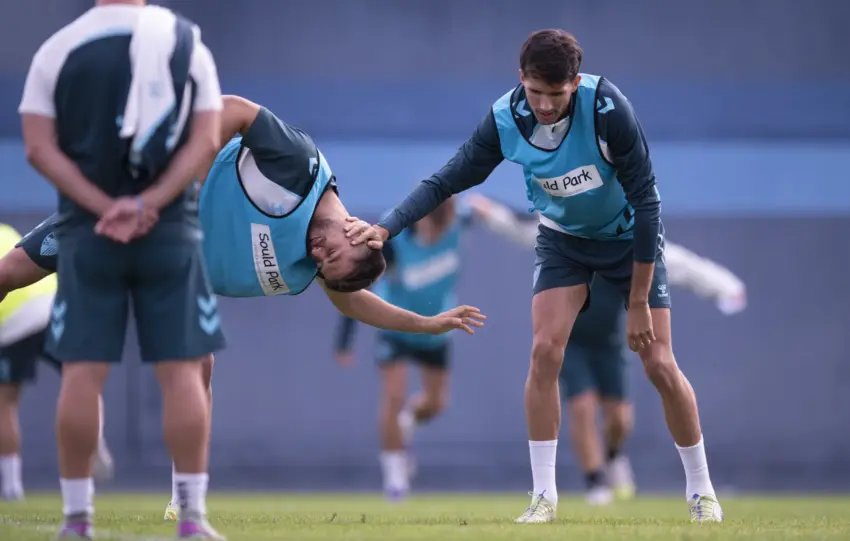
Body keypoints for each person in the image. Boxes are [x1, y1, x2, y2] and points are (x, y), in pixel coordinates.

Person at [6, 94, 487, 522]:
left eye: (325, 265)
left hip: (171, 264)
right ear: (358, 230)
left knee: (199, 363)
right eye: (332, 253)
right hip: (137, 197)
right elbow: (235, 109)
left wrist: (425, 324)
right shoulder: (298, 166)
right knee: (10, 274)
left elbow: (355, 305)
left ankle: (186, 499)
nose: (319, 255)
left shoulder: (312, 264)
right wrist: (186, 180)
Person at [346, 29, 723, 523]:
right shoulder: (507, 117)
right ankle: (543, 496)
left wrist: (636, 302)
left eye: (556, 94)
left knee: (659, 364)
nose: (544, 105)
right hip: (563, 242)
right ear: (520, 78)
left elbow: (648, 204)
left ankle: (701, 490)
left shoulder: (608, 110)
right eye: (535, 91)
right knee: (545, 352)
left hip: (627, 239)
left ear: (575, 83)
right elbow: (447, 180)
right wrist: (386, 227)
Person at [19, 1, 226, 538]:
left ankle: (76, 518)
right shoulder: (187, 41)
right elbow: (206, 141)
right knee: (183, 371)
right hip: (170, 230)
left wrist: (103, 205)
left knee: (82, 372)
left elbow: (38, 149)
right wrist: (148, 202)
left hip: (88, 232)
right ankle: (192, 517)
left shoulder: (57, 49)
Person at [467, 193, 747, 505]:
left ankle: (613, 456)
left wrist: (726, 287)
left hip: (611, 345)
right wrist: (489, 212)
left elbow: (683, 265)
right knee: (583, 406)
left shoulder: (629, 241)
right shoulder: (564, 235)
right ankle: (595, 482)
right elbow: (520, 228)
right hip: (572, 342)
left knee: (620, 420)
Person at [334, 198, 472, 501]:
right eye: (431, 229)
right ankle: (395, 478)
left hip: (436, 329)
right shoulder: (393, 242)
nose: (436, 237)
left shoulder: (459, 219)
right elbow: (357, 288)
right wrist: (345, 340)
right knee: (394, 395)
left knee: (436, 403)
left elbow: (487, 210)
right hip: (396, 328)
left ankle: (405, 427)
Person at [0, 224, 115, 501]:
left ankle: (12, 487)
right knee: (82, 381)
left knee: (5, 403)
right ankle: (93, 440)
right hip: (50, 308)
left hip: (9, 324)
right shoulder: (7, 231)